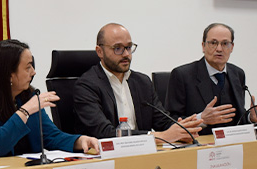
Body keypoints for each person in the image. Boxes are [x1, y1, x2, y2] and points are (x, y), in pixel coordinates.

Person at [0, 39, 99, 157]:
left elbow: (51, 136)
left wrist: (79, 141)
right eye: (28, 67)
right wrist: (25, 111)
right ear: (9, 74)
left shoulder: (27, 97)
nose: (34, 72)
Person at [73, 23, 202, 143]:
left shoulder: (142, 82)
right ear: (99, 51)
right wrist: (160, 137)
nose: (126, 54)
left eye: (129, 47)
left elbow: (162, 122)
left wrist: (182, 130)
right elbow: (104, 133)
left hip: (142, 154)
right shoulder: (86, 86)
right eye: (117, 48)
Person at [166, 23, 257, 135]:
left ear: (232, 47)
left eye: (225, 44)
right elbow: (170, 122)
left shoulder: (238, 74)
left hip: (232, 144)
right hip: (198, 144)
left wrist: (250, 118)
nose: (219, 49)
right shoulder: (182, 75)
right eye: (213, 43)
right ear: (203, 46)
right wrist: (201, 119)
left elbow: (236, 120)